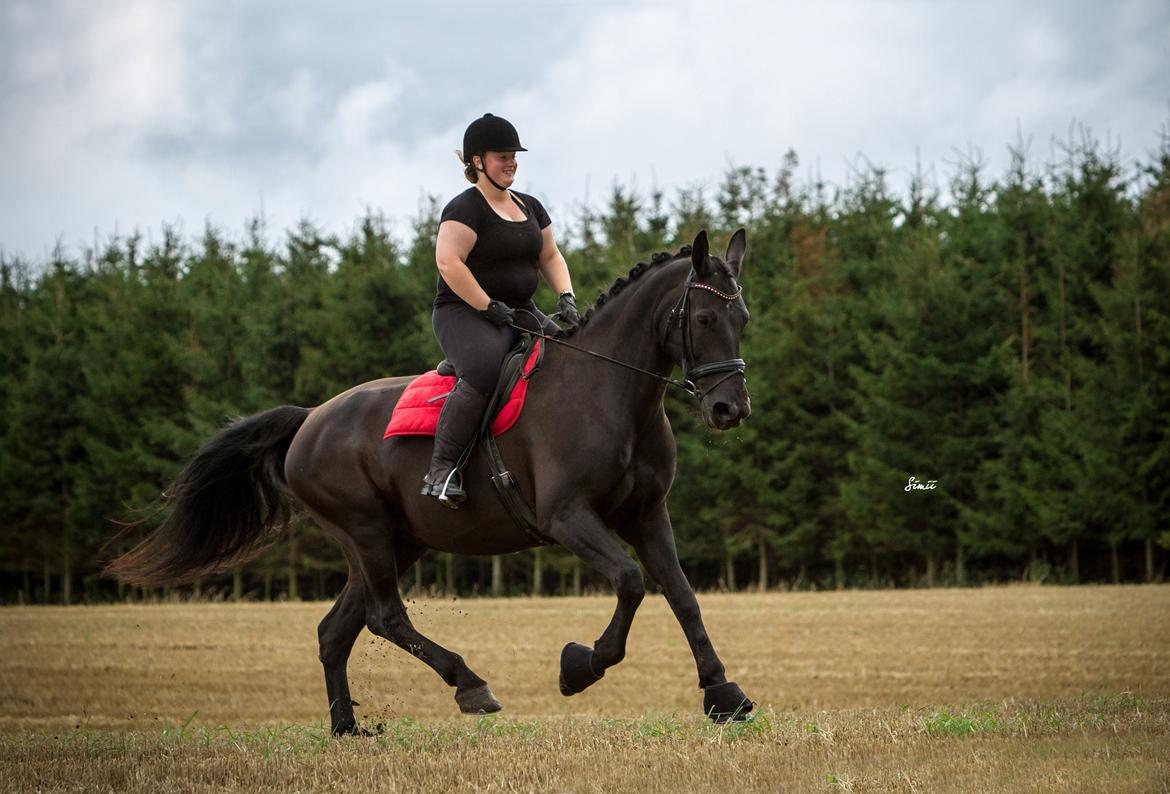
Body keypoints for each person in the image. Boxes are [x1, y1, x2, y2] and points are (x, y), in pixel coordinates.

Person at [422, 113, 579, 508]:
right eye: (502, 156)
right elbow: (449, 263)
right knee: (486, 369)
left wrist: (566, 296)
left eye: (514, 156)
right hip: (463, 312)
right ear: (476, 162)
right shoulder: (465, 209)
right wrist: (485, 305)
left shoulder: (530, 206)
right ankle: (441, 472)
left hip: (516, 310)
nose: (511, 162)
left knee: (567, 359)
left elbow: (550, 254)